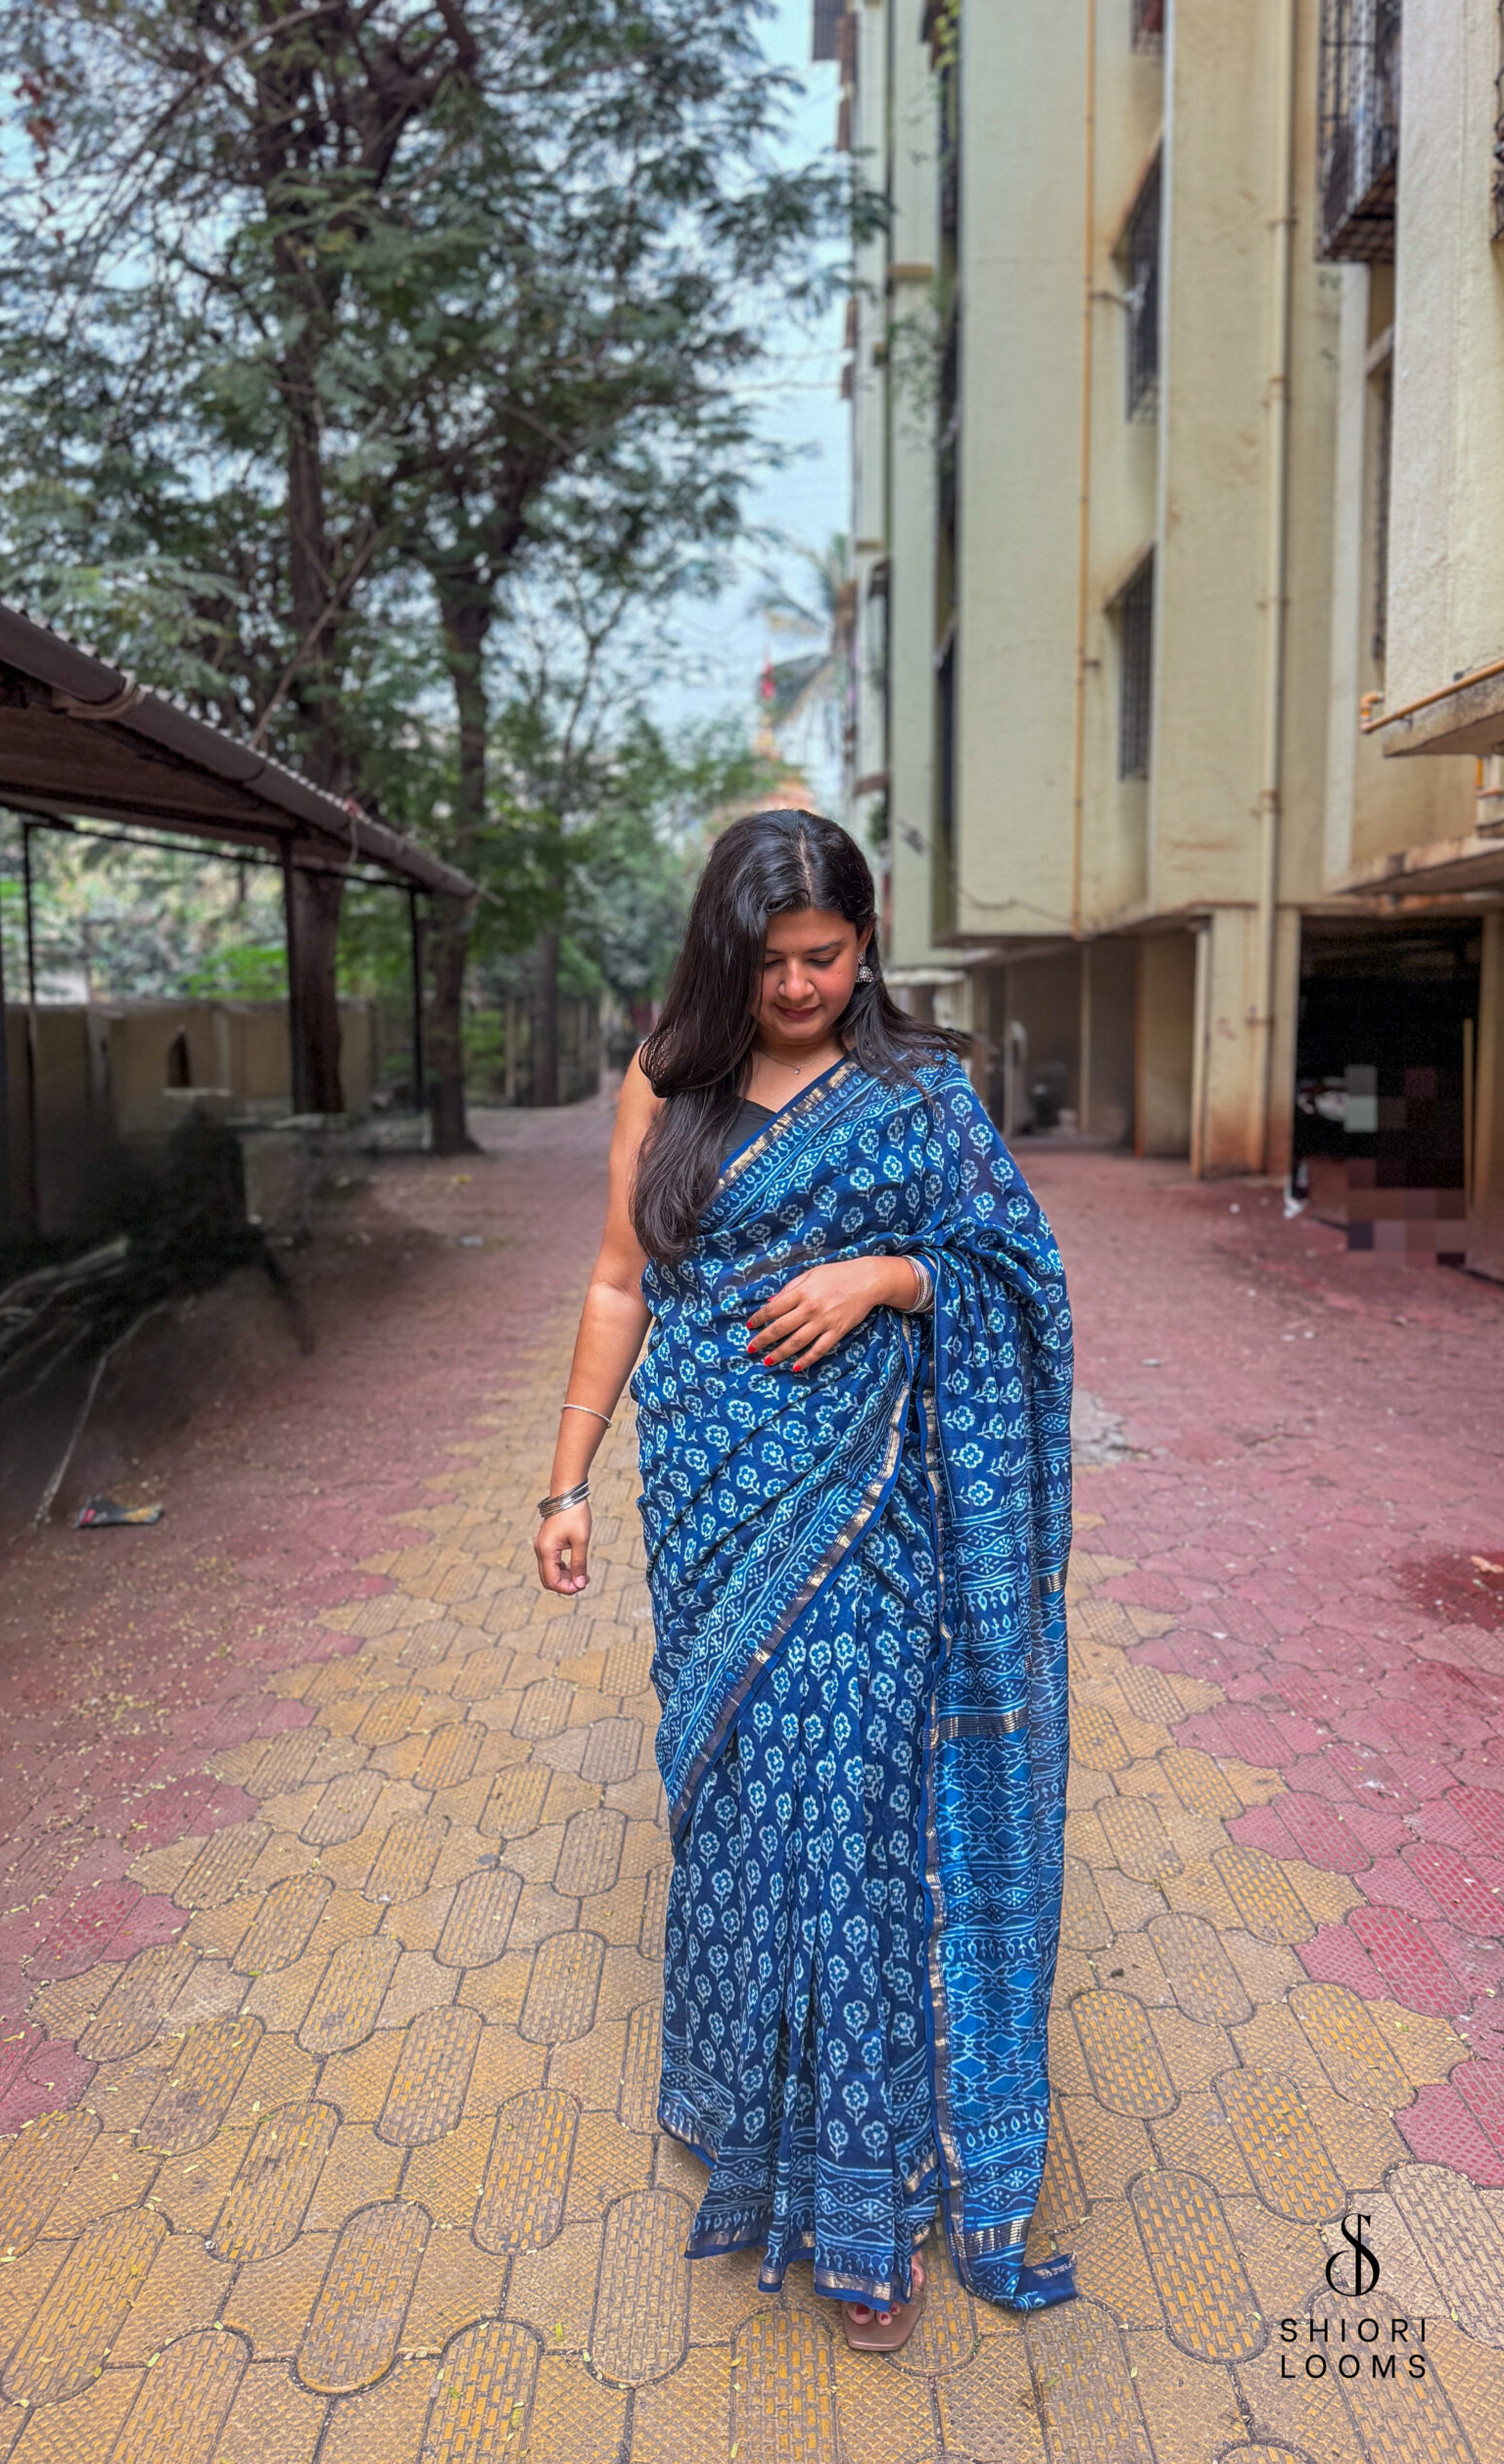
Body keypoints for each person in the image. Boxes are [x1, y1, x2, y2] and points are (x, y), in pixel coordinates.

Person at [533, 810, 1076, 2346]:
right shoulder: (671, 1083)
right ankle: (738, 2099)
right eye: (769, 961)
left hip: (872, 1529)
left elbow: (1021, 1270)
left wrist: (891, 1275)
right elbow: (617, 1279)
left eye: (826, 958)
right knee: (737, 1824)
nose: (799, 986)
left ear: (866, 944)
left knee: (846, 1828)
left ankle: (866, 2206)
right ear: (725, 953)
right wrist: (564, 1480)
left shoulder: (918, 1096)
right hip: (706, 1515)